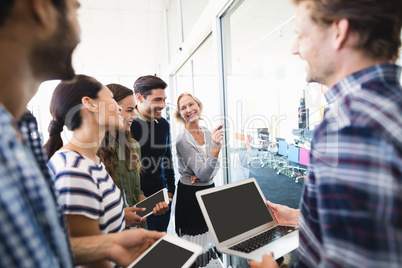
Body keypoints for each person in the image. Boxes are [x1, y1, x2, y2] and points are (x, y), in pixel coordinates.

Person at [0, 1, 163, 267]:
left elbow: (49, 246)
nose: (124, 112)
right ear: (40, 8)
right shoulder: (73, 167)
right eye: (74, 8)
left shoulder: (21, 137)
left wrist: (111, 243)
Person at [249, 0, 402, 267]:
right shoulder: (388, 106)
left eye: (300, 35)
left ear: (338, 33)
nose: (295, 48)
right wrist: (302, 218)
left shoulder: (349, 127)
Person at [98, 83, 170, 229]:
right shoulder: (93, 152)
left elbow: (135, 192)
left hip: (138, 230)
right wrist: (120, 217)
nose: (133, 116)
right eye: (129, 110)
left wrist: (153, 205)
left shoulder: (133, 146)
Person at [174, 93, 224, 267]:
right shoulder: (182, 139)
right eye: (183, 108)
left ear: (199, 106)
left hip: (209, 191)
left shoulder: (208, 132)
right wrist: (216, 149)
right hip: (191, 197)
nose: (189, 110)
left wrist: (206, 175)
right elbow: (204, 172)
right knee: (196, 246)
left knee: (211, 239)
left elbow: (213, 168)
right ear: (179, 114)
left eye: (191, 104)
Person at [130, 75, 176, 232]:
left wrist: (171, 190)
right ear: (139, 98)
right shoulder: (128, 127)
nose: (162, 105)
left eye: (164, 100)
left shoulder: (163, 124)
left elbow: (167, 159)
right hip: (139, 206)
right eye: (157, 100)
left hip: (163, 202)